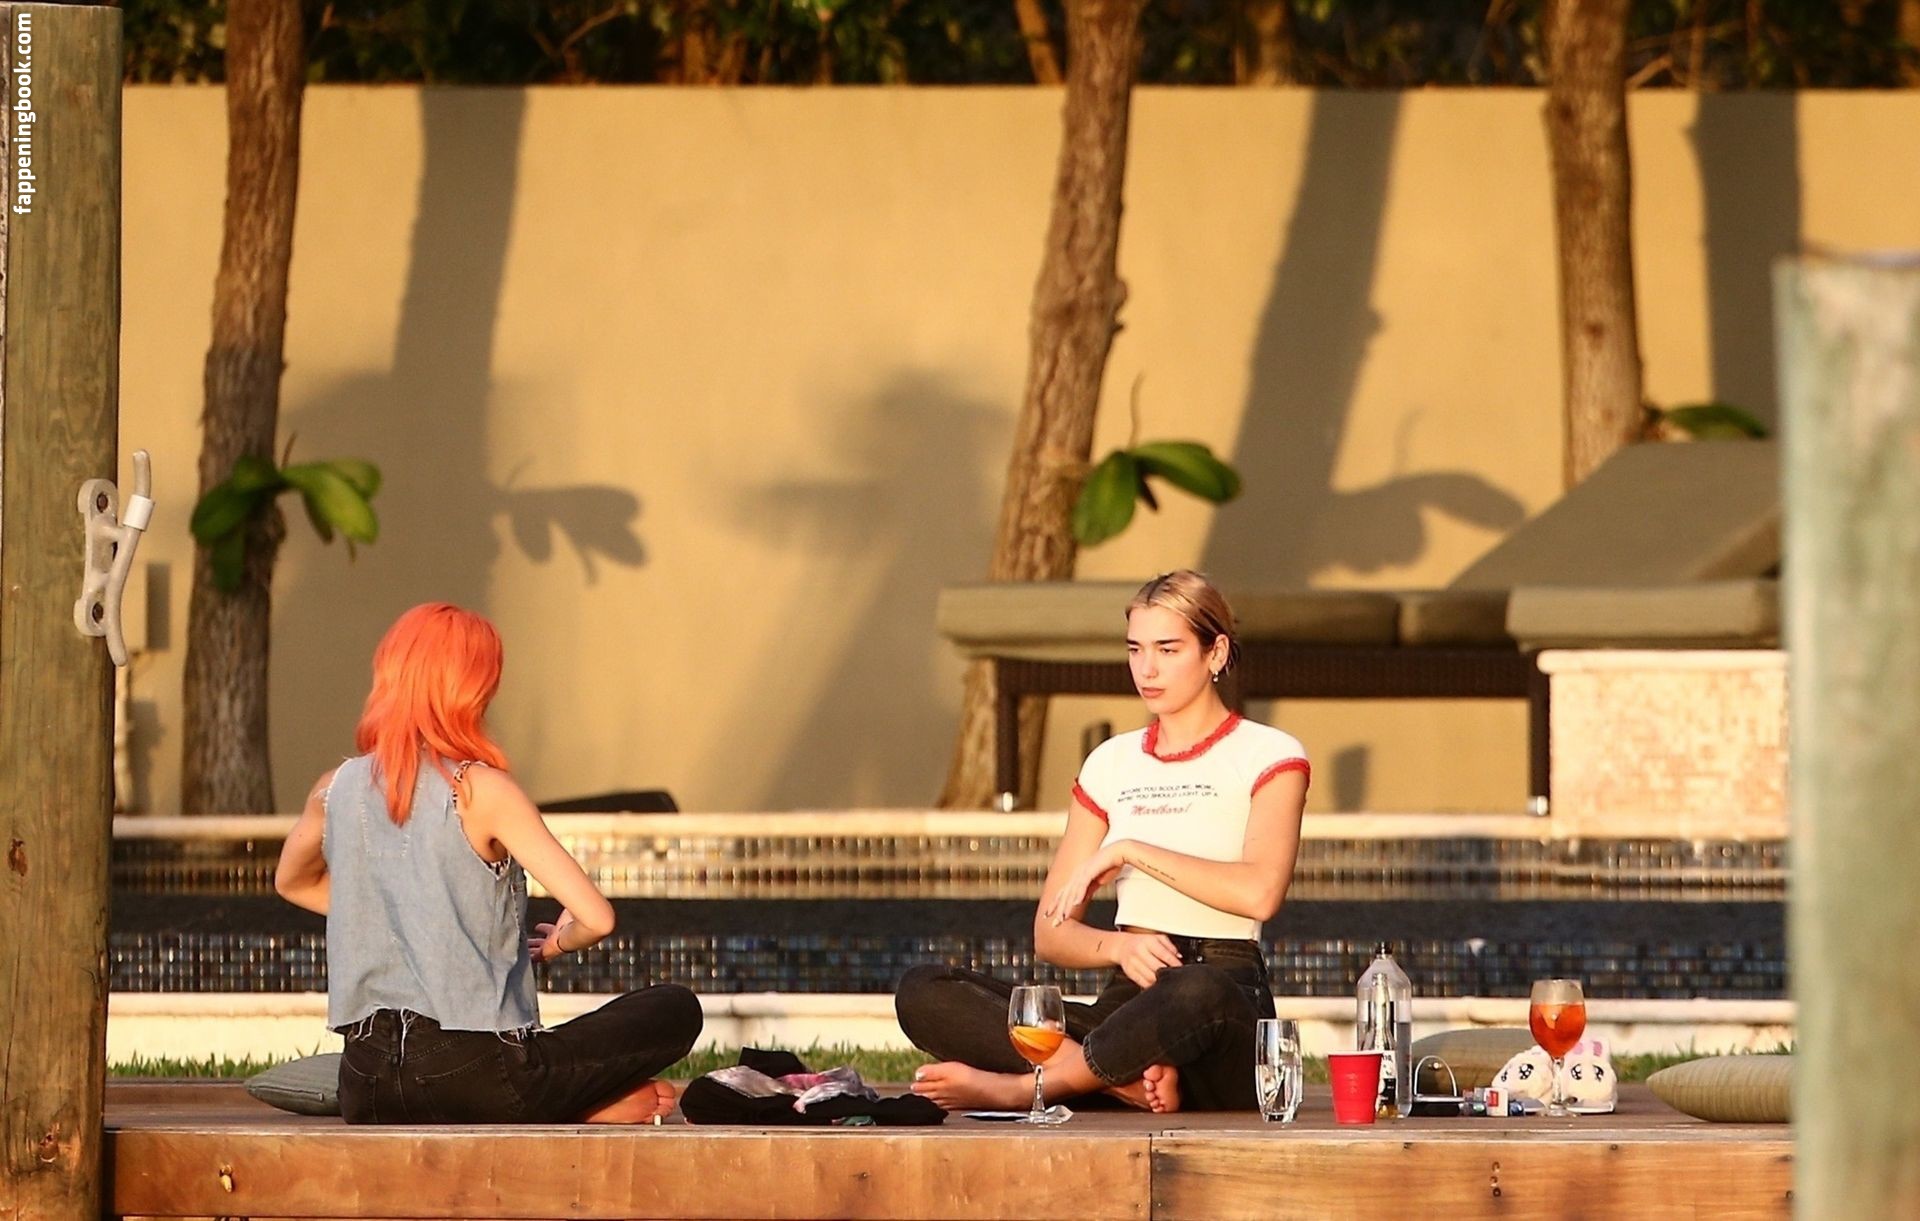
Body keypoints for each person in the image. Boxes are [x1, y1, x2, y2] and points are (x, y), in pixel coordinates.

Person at [273, 602, 702, 1124]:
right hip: (482, 1080)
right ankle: (582, 1103)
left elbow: (292, 883)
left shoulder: (333, 789)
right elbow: (597, 918)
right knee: (675, 1007)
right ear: (473, 688)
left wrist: (394, 914)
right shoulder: (481, 790)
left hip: (366, 1088)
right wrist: (558, 942)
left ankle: (571, 1101)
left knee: (475, 1075)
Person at [897, 570, 1308, 1112]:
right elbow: (1050, 932)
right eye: (1136, 649)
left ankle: (1027, 1089)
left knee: (1195, 987)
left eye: (1168, 649)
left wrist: (1129, 850)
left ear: (1216, 653)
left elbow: (1260, 894)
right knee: (924, 990)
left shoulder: (1268, 753)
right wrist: (1119, 947)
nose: (1147, 669)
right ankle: (1120, 1082)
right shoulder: (1111, 763)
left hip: (1220, 1000)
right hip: (1127, 1006)